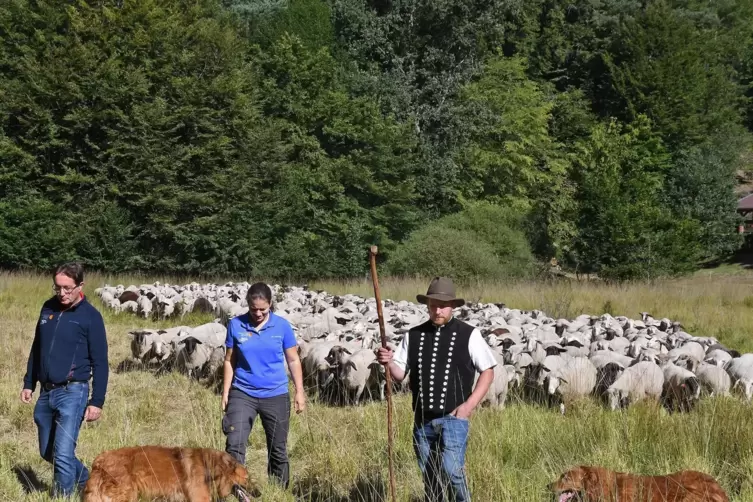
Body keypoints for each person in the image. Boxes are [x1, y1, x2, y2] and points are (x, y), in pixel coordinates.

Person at [377, 276, 497, 502]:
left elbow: (488, 371)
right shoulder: (413, 335)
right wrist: (388, 361)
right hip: (422, 420)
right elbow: (400, 374)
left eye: (443, 305)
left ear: (452, 306)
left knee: (452, 471)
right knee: (430, 477)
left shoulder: (469, 334)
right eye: (433, 305)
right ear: (428, 305)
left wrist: (468, 406)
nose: (438, 310)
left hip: (454, 418)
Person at [20, 262, 109, 498]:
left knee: (62, 455)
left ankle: (60, 497)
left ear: (80, 285)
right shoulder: (47, 308)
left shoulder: (91, 317)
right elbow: (37, 347)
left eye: (68, 288)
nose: (62, 293)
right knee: (48, 452)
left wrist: (96, 400)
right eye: (57, 287)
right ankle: (91, 482)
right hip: (46, 392)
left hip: (73, 392)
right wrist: (29, 382)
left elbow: (100, 361)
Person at [221, 282, 305, 489]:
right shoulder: (236, 325)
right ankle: (237, 489)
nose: (258, 313)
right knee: (235, 443)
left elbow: (293, 360)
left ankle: (278, 490)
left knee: (278, 448)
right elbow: (229, 360)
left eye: (263, 309)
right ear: (248, 305)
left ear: (270, 304)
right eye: (253, 309)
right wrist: (225, 391)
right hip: (243, 392)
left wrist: (299, 392)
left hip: (275, 394)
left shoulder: (282, 326)